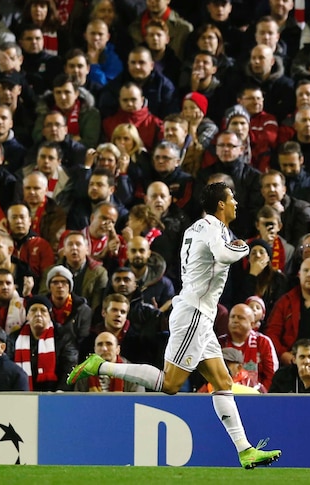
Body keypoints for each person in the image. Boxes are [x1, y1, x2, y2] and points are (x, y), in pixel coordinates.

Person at [67, 183, 282, 469]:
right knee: (170, 384)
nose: (236, 204)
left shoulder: (195, 229)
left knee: (223, 383)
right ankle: (100, 365)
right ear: (220, 204)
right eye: (231, 199)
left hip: (199, 314)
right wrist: (246, 248)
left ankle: (245, 451)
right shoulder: (212, 227)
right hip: (194, 313)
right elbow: (224, 254)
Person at [73, 332, 145, 392]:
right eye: (100, 344)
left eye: (109, 344)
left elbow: (137, 404)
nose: (104, 348)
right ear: (95, 350)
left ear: (118, 349)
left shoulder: (133, 374)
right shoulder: (83, 374)